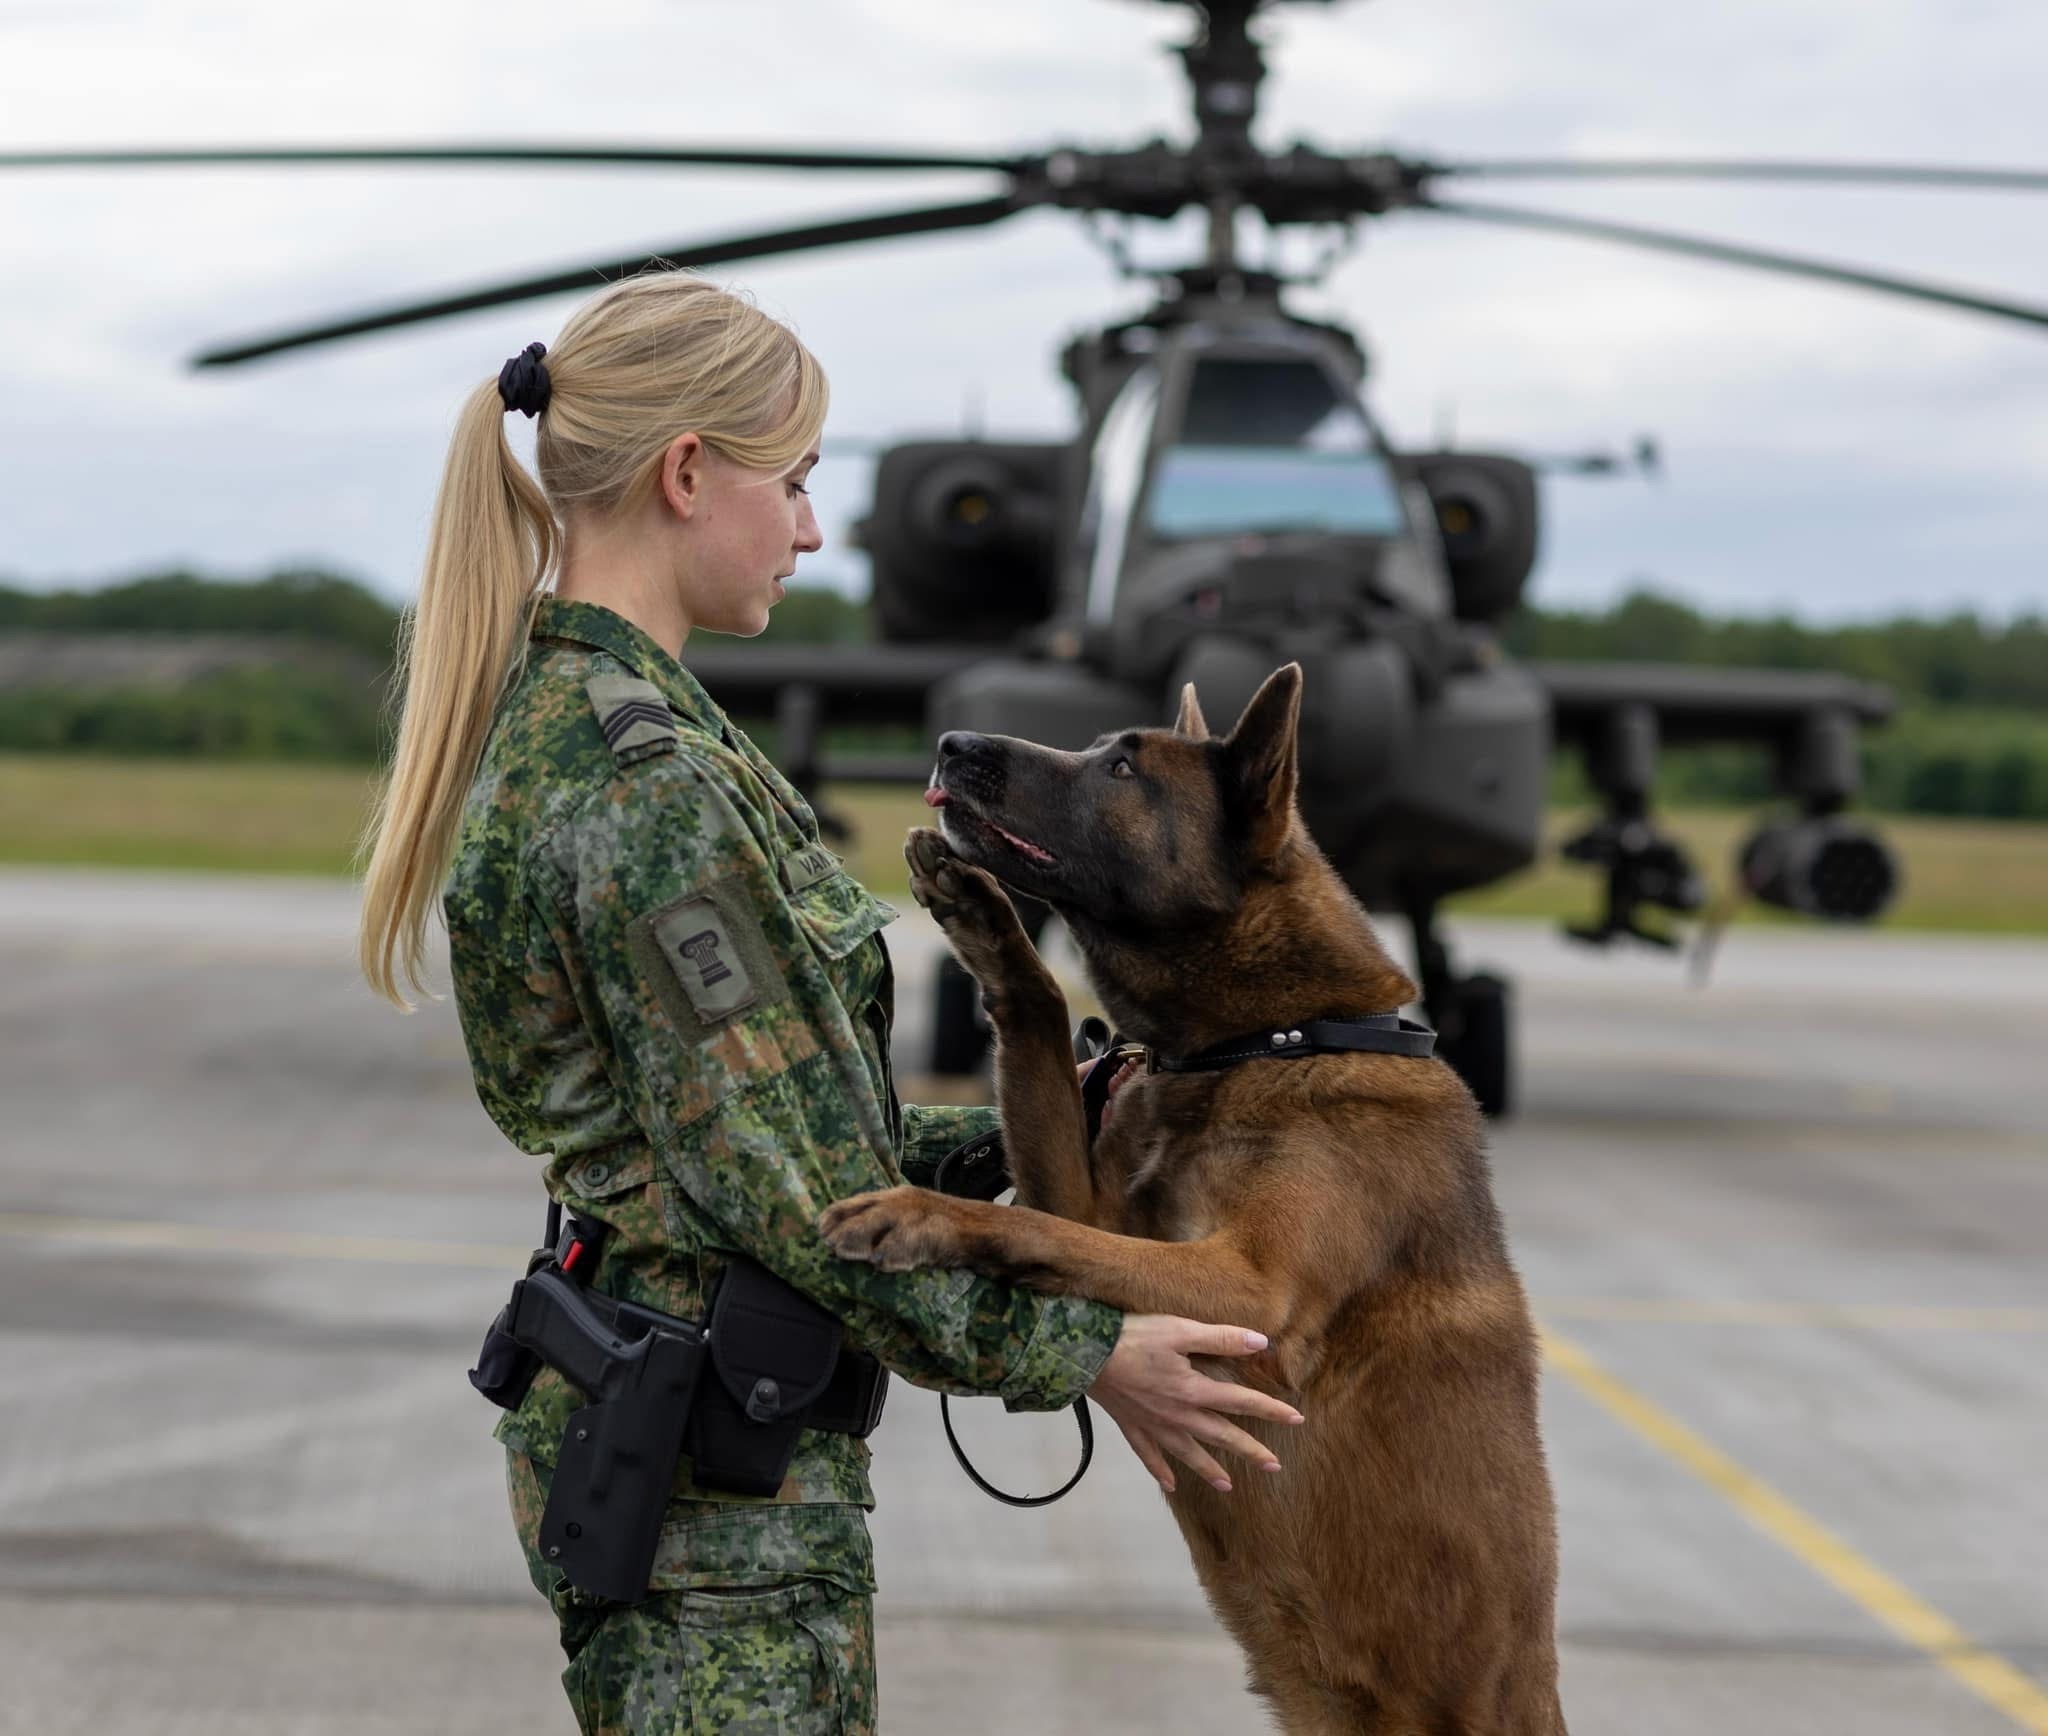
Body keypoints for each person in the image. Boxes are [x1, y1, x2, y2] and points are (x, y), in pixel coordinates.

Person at [357, 271, 1302, 1735]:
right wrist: (1095, 1350)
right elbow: (798, 1200)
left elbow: (762, 1120)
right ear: (687, 475)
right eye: (792, 482)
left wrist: (1026, 1144)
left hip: (714, 1457)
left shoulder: (633, 734)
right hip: (712, 1507)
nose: (811, 527)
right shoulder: (644, 788)